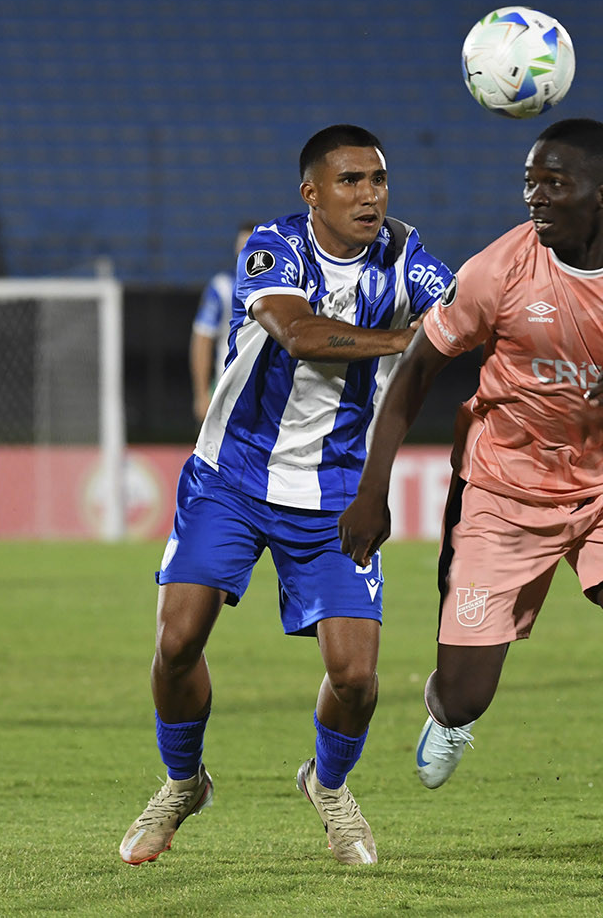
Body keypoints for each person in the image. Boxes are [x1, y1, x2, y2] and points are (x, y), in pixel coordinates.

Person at [339, 118, 603, 889]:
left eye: (553, 183)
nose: (535, 196)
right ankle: (447, 716)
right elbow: (418, 369)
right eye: (530, 180)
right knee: (465, 694)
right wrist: (375, 488)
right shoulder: (499, 267)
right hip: (501, 494)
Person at [120, 124, 454, 867]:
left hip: (335, 486)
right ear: (312, 193)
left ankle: (327, 785)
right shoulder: (274, 247)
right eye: (350, 181)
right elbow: (298, 332)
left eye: (378, 180)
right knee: (177, 641)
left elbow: (464, 312)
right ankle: (183, 782)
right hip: (232, 475)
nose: (369, 195)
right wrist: (410, 342)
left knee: (357, 676)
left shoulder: (407, 257)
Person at [190, 221, 257, 423]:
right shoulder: (223, 288)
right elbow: (202, 339)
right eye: (242, 245)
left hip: (267, 389)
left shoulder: (280, 288)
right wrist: (202, 394)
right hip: (228, 387)